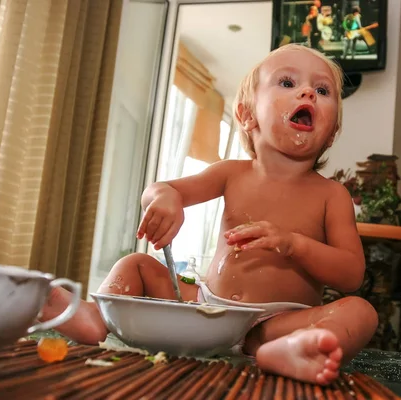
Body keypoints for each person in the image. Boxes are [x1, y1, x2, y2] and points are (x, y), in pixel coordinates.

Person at [39, 43, 378, 386]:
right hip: (205, 308)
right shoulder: (231, 173)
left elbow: (351, 274)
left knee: (361, 312)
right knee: (136, 266)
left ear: (332, 131)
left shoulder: (332, 195)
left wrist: (294, 245)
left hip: (278, 323)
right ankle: (95, 317)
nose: (307, 92)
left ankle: (295, 350)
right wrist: (166, 200)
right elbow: (159, 188)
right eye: (287, 83)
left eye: (322, 90)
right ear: (247, 116)